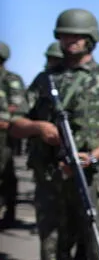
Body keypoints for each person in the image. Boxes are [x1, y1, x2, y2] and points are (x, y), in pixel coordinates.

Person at [9, 8, 99, 259]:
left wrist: (92, 157)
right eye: (65, 35)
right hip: (52, 179)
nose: (71, 40)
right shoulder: (45, 79)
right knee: (53, 249)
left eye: (77, 36)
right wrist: (38, 128)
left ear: (91, 38)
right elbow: (15, 123)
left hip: (95, 178)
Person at [0, 41, 25, 229]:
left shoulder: (10, 79)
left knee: (5, 172)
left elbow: (16, 106)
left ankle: (9, 212)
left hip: (4, 134)